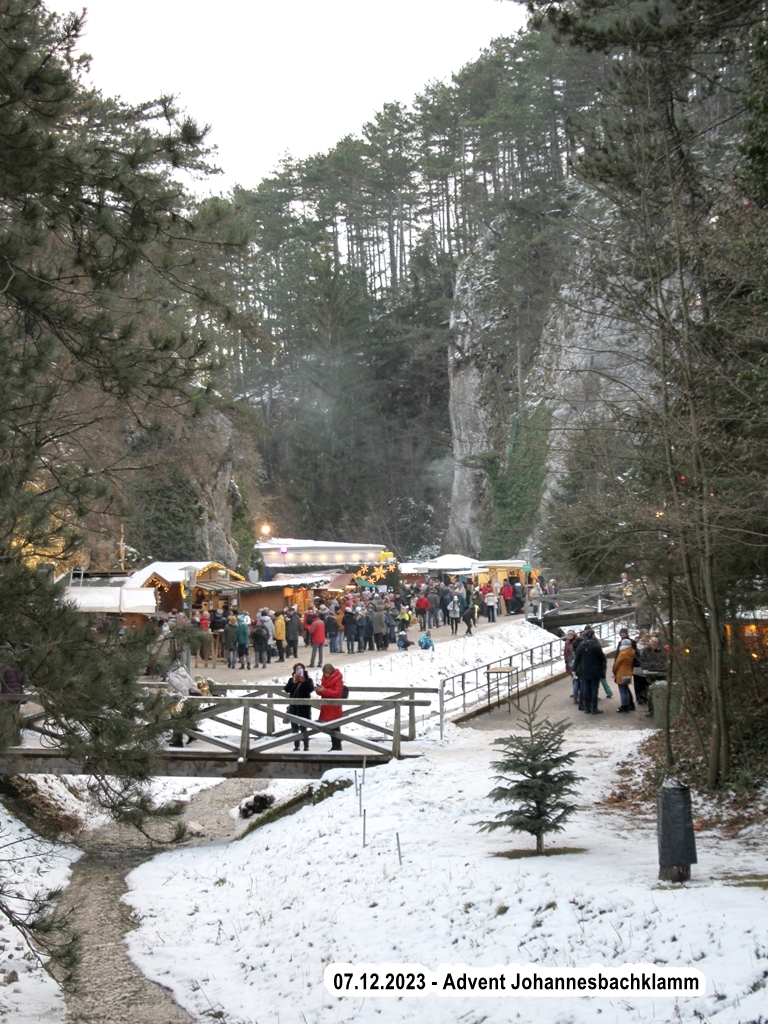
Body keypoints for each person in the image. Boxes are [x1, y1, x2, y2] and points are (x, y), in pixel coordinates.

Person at [572, 627, 607, 714]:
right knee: (594, 689)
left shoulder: (581, 646)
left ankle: (587, 708)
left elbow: (577, 659)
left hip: (584, 670)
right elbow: (602, 658)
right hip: (595, 670)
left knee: (586, 689)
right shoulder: (596, 646)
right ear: (592, 635)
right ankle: (594, 708)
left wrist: (574, 669)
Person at [284, 663, 314, 751]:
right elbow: (287, 689)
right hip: (294, 707)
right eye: (297, 669)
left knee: (303, 727)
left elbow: (310, 689)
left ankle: (306, 746)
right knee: (294, 728)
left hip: (304, 708)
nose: (299, 670)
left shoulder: (308, 680)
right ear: (294, 671)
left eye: (301, 669)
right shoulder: (291, 680)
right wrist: (294, 681)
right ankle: (296, 746)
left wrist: (304, 681)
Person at [316, 663, 344, 750]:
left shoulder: (338, 679)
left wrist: (324, 690)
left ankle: (338, 746)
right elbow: (323, 691)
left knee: (335, 727)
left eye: (326, 673)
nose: (325, 675)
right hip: (326, 706)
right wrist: (319, 690)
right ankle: (334, 746)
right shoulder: (324, 678)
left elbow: (337, 693)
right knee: (330, 727)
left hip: (334, 707)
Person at [612, 637, 637, 712]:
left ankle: (624, 706)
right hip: (628, 673)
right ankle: (628, 706)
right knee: (626, 689)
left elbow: (617, 664)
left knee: (622, 691)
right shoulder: (632, 652)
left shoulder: (622, 653)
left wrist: (614, 671)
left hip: (621, 673)